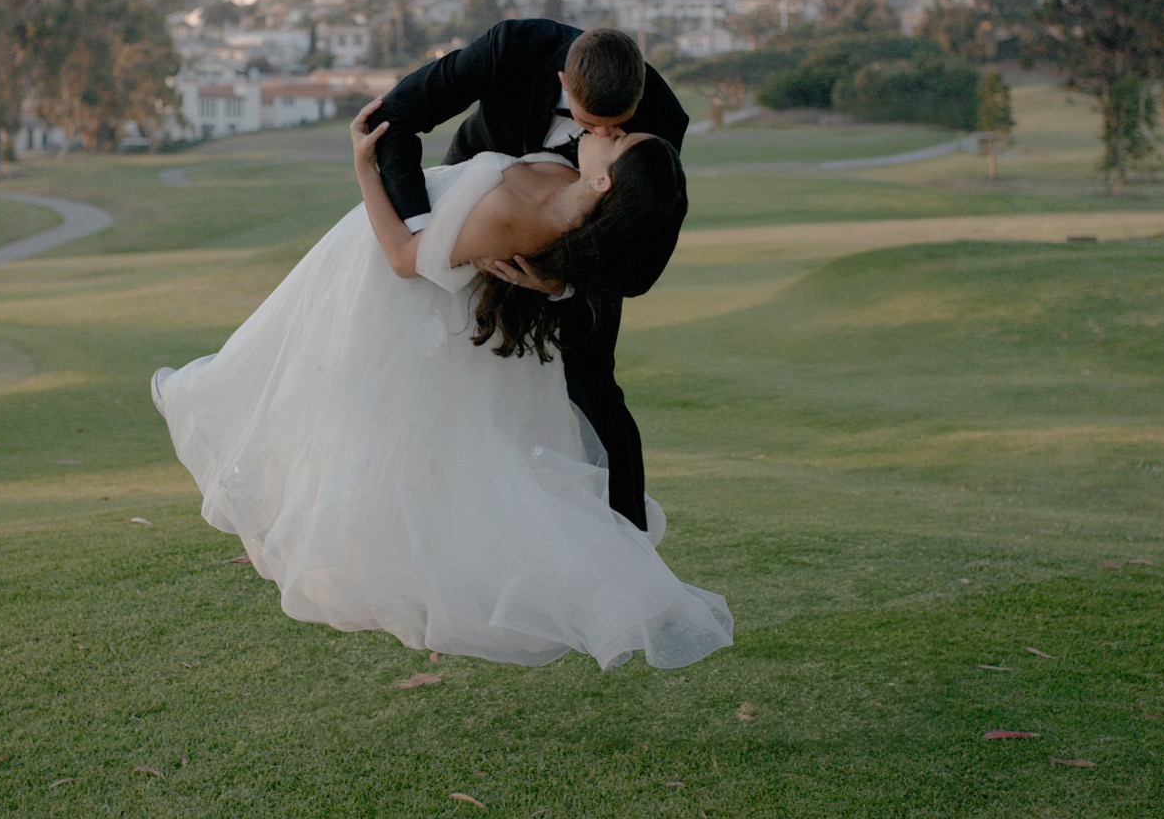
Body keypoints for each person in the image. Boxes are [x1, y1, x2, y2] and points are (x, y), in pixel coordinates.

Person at [151, 101, 731, 670]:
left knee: (314, 421)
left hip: (381, 279)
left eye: (621, 138)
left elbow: (405, 258)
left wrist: (363, 169)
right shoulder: (566, 187)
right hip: (377, 276)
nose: (610, 129)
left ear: (605, 180)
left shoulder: (524, 217)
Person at [367, 20, 688, 532]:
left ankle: (629, 540)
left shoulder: (665, 118)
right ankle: (414, 523)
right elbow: (394, 118)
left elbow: (636, 240)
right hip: (475, 213)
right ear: (563, 81)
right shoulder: (512, 49)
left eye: (618, 126)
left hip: (578, 254)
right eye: (592, 122)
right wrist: (436, 237)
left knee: (592, 385)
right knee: (440, 371)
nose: (603, 135)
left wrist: (561, 283)